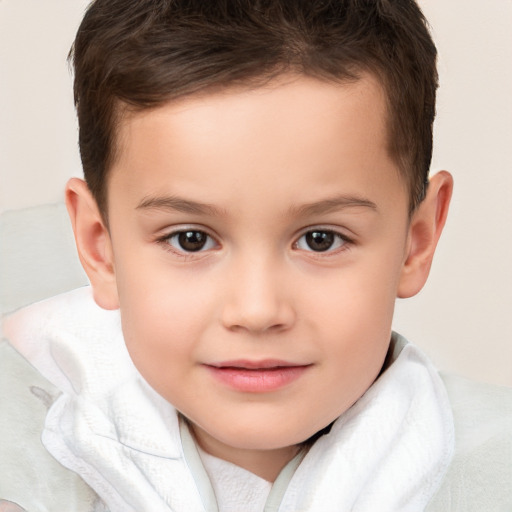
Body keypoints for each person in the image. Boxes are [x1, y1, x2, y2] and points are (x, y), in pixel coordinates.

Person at [1, 0, 510, 510]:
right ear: (99, 246)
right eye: (191, 239)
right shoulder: (21, 466)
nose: (257, 310)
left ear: (415, 241)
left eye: (321, 239)